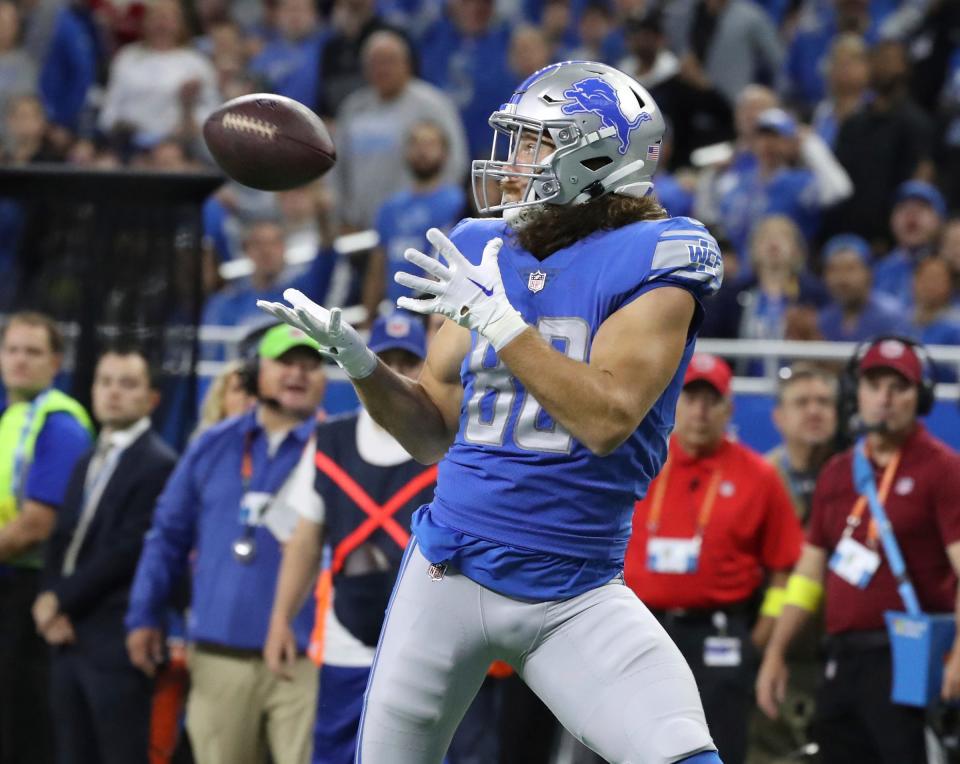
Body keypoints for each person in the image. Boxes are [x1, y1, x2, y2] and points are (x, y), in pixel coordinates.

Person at [260, 60, 724, 764]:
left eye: (537, 142)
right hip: (447, 572)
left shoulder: (658, 256)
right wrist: (362, 366)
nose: (513, 163)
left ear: (597, 157)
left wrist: (500, 324)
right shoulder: (483, 247)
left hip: (575, 591)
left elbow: (607, 419)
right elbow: (428, 433)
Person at [125, 324, 328, 764]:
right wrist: (144, 612)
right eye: (286, 362)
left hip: (307, 660)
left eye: (311, 365)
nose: (299, 373)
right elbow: (167, 536)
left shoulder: (336, 448)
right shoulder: (211, 447)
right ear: (255, 371)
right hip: (219, 655)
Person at [756, 337, 960, 764]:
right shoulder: (837, 472)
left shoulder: (942, 469)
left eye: (898, 387)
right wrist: (776, 652)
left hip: (907, 658)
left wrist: (959, 654)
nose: (884, 398)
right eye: (873, 384)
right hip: (842, 658)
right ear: (856, 393)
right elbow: (809, 576)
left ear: (919, 397)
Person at [264, 312, 444, 763]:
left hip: (423, 644)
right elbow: (304, 537)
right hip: (345, 641)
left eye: (408, 362)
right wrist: (280, 619)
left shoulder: (447, 444)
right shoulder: (331, 440)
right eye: (384, 361)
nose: (396, 374)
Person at [623, 354, 803, 764]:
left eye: (712, 400)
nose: (700, 411)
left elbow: (784, 571)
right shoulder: (642, 462)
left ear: (729, 408)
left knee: (716, 746)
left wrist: (757, 639)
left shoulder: (758, 475)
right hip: (640, 628)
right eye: (690, 398)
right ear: (672, 402)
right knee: (625, 743)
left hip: (718, 638)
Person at [34, 346, 177, 764]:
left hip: (114, 639)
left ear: (152, 398)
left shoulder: (159, 463)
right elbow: (61, 536)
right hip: (66, 636)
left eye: (127, 384)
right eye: (105, 382)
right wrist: (49, 599)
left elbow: (126, 550)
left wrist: (60, 600)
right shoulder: (87, 459)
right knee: (70, 752)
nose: (113, 392)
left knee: (119, 753)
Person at [0, 311, 92, 764]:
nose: (20, 360)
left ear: (55, 362)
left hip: (31, 594)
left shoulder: (59, 425)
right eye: (12, 349)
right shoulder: (11, 418)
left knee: (22, 727)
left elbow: (38, 524)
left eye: (32, 352)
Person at [333, 29, 467, 231]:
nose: (382, 69)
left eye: (389, 61)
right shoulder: (353, 108)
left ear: (407, 64)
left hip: (417, 225)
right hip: (360, 228)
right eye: (375, 62)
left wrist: (436, 212)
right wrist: (343, 215)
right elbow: (337, 166)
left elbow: (455, 161)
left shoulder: (431, 104)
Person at [361, 120, 466, 322]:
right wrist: (368, 318)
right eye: (416, 144)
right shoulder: (390, 208)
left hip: (440, 315)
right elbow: (377, 268)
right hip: (397, 315)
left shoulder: (458, 202)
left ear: (445, 153)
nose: (422, 151)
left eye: (430, 144)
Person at [767, 366, 838, 523]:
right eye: (801, 402)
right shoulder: (762, 476)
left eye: (823, 402)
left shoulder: (856, 472)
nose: (814, 411)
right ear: (779, 417)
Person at [872, 180, 946, 308]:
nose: (911, 215)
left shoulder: (951, 269)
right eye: (902, 207)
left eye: (922, 208)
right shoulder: (877, 271)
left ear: (940, 219)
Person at [817, 234, 902, 343]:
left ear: (869, 272)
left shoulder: (891, 316)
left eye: (850, 268)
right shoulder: (824, 319)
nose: (842, 278)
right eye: (833, 269)